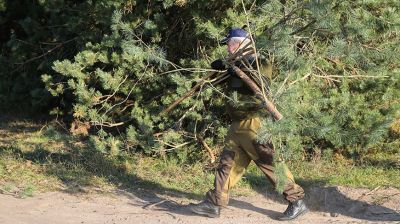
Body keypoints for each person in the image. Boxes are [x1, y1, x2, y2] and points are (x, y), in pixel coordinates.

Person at [188, 28, 309, 221]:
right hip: (237, 125)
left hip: (254, 122)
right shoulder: (234, 63)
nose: (228, 49)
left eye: (229, 44)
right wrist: (222, 66)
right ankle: (214, 203)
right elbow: (227, 81)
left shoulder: (259, 61)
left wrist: (235, 69)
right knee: (227, 164)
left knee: (269, 163)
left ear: (239, 44)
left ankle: (296, 201)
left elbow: (261, 86)